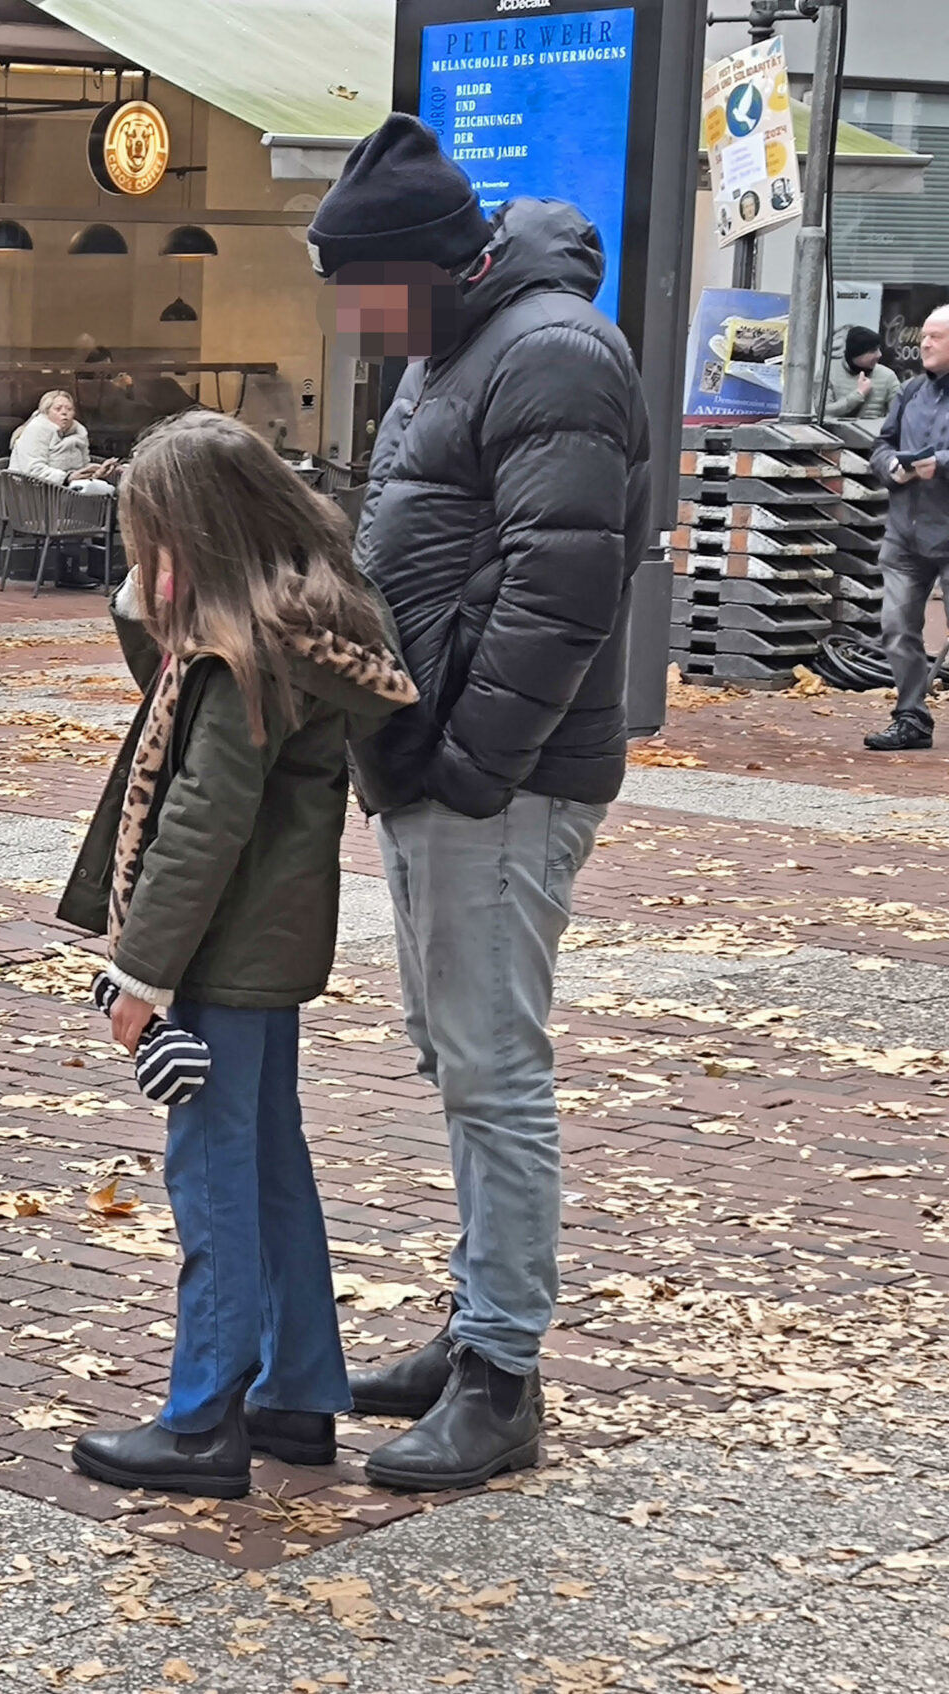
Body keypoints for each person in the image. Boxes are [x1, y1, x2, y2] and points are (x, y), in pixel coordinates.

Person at [304, 114, 649, 1491]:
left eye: (363, 287)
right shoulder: (460, 347)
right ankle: (476, 1330)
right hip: (442, 763)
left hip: (492, 776)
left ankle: (502, 1370)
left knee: (494, 1069)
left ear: (440, 264)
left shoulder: (547, 350)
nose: (352, 316)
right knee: (459, 1055)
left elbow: (563, 585)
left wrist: (465, 761)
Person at [59, 411, 416, 1500]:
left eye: (151, 537)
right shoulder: (291, 624)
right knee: (267, 1171)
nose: (141, 557)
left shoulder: (240, 653)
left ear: (196, 534)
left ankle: (202, 1415)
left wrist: (142, 971)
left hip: (216, 956)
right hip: (264, 948)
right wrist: (145, 600)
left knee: (212, 1183)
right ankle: (297, 1391)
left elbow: (202, 817)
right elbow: (164, 684)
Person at [863, 305, 949, 753]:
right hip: (905, 533)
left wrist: (944, 464)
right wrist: (891, 466)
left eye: (936, 336)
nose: (925, 343)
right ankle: (911, 717)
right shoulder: (912, 390)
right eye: (926, 335)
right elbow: (882, 443)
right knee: (897, 627)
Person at [10, 390, 124, 495]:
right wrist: (66, 478)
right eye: (58, 409)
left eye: (69, 409)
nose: (64, 413)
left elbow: (83, 465)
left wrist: (98, 471)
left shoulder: (79, 433)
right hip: (36, 494)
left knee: (111, 492)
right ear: (46, 412)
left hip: (70, 491)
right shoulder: (36, 430)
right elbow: (33, 470)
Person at [826, 324, 902, 423]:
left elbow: (897, 418)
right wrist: (859, 394)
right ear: (856, 353)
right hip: (835, 435)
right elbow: (824, 412)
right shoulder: (829, 373)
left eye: (879, 349)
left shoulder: (888, 377)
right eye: (872, 351)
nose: (879, 355)